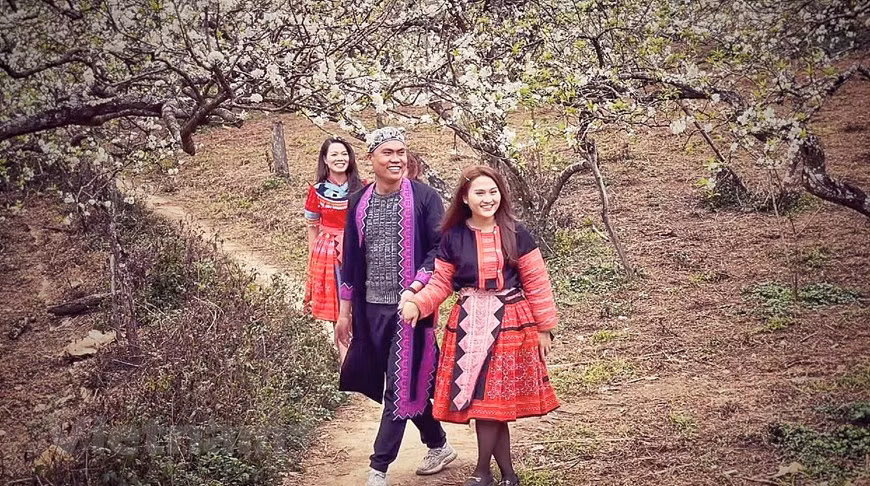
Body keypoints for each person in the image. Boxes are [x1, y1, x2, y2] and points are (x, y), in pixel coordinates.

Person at [402, 165, 560, 486]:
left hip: (510, 322)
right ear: (465, 197)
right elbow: (441, 282)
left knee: (491, 400)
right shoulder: (453, 237)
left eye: (493, 192)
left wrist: (544, 327)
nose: (488, 198)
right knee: (489, 401)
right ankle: (509, 475)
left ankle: (482, 472)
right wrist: (418, 303)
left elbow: (537, 282)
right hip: (468, 325)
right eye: (480, 192)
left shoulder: (516, 233)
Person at [335, 127, 457, 486]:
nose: (397, 159)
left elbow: (440, 250)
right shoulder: (358, 201)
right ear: (371, 159)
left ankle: (378, 468)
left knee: (400, 385)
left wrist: (417, 289)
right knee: (406, 384)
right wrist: (345, 313)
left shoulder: (424, 198)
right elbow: (352, 260)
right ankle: (438, 443)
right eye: (388, 153)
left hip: (413, 311)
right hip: (371, 309)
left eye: (401, 152)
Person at [303, 137, 364, 364]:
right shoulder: (317, 191)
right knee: (337, 308)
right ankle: (345, 362)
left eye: (344, 154)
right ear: (325, 160)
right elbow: (312, 227)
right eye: (334, 155)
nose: (340, 159)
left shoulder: (363, 187)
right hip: (328, 252)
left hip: (357, 250)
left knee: (361, 305)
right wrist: (313, 262)